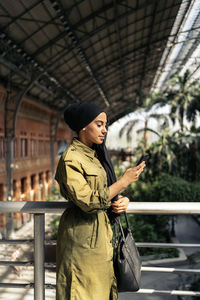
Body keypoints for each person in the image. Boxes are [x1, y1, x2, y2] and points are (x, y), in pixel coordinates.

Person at [55, 102, 146, 300]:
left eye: (106, 125)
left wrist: (121, 200)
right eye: (99, 124)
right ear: (83, 127)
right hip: (81, 243)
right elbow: (88, 201)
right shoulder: (70, 159)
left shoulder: (96, 156)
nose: (104, 129)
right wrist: (123, 182)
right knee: (82, 293)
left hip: (102, 239)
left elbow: (104, 192)